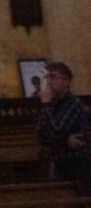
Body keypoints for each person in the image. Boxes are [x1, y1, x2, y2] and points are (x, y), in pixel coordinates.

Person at [37, 62, 91, 195]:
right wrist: (65, 140)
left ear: (67, 81)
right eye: (47, 77)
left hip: (77, 165)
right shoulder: (54, 105)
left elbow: (58, 128)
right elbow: (41, 135)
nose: (48, 81)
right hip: (59, 162)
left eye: (53, 77)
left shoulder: (74, 104)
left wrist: (46, 105)